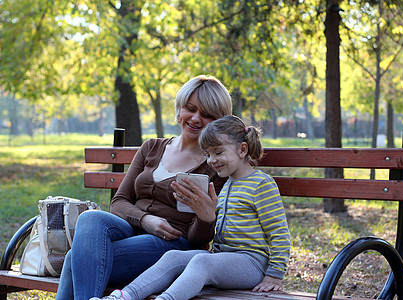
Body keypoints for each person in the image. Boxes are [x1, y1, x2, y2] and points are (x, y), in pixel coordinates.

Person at [55, 75, 233, 300]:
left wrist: (207, 218)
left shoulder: (214, 166)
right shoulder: (152, 147)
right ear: (179, 109)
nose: (196, 118)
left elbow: (196, 241)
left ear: (218, 121)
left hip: (173, 245)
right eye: (191, 108)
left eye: (207, 114)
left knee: (74, 260)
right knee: (90, 218)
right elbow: (118, 202)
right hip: (132, 230)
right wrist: (146, 221)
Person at [93, 115, 291, 300]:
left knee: (201, 262)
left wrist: (274, 275)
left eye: (218, 152)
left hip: (251, 263)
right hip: (222, 258)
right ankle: (124, 296)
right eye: (208, 154)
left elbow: (279, 232)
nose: (212, 160)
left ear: (242, 150)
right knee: (172, 257)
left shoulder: (261, 184)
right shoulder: (226, 184)